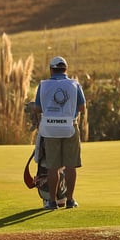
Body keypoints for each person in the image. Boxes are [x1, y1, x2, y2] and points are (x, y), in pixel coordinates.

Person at [32, 56, 86, 210]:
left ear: (51, 70)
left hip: (49, 129)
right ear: (65, 69)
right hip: (70, 127)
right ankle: (69, 200)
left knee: (52, 167)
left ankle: (52, 202)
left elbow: (37, 108)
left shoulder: (43, 85)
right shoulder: (74, 84)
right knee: (70, 166)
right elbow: (82, 107)